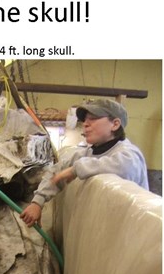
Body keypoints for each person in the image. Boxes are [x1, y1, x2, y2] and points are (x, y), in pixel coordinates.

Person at [20, 98, 149, 228]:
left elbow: (125, 167)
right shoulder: (85, 153)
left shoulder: (129, 154)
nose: (85, 124)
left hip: (130, 232)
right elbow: (55, 172)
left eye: (93, 118)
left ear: (115, 124)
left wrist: (74, 170)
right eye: (85, 120)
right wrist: (37, 202)